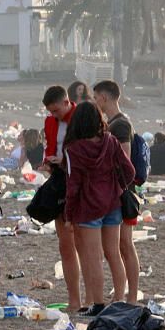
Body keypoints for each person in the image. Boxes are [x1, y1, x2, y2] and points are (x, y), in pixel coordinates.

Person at [63, 102, 135, 317]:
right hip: (113, 203)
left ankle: (98, 304)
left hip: (88, 207)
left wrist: (69, 213)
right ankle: (119, 299)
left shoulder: (73, 149)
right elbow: (129, 171)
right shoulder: (111, 141)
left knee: (94, 257)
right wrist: (119, 188)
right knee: (113, 253)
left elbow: (73, 185)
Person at [93, 79, 139, 304]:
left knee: (125, 245)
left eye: (95, 97)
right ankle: (127, 294)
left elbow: (124, 160)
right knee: (121, 245)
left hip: (123, 193)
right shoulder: (116, 122)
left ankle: (130, 296)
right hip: (122, 191)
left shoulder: (119, 125)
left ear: (103, 97)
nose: (95, 102)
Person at [39, 85, 81, 311]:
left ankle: (91, 299)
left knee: (84, 244)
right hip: (59, 180)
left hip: (79, 183)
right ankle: (75, 300)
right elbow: (50, 146)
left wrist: (63, 161)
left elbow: (85, 152)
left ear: (67, 102)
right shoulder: (49, 122)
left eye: (56, 111)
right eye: (50, 112)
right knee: (66, 246)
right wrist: (48, 161)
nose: (54, 115)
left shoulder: (82, 117)